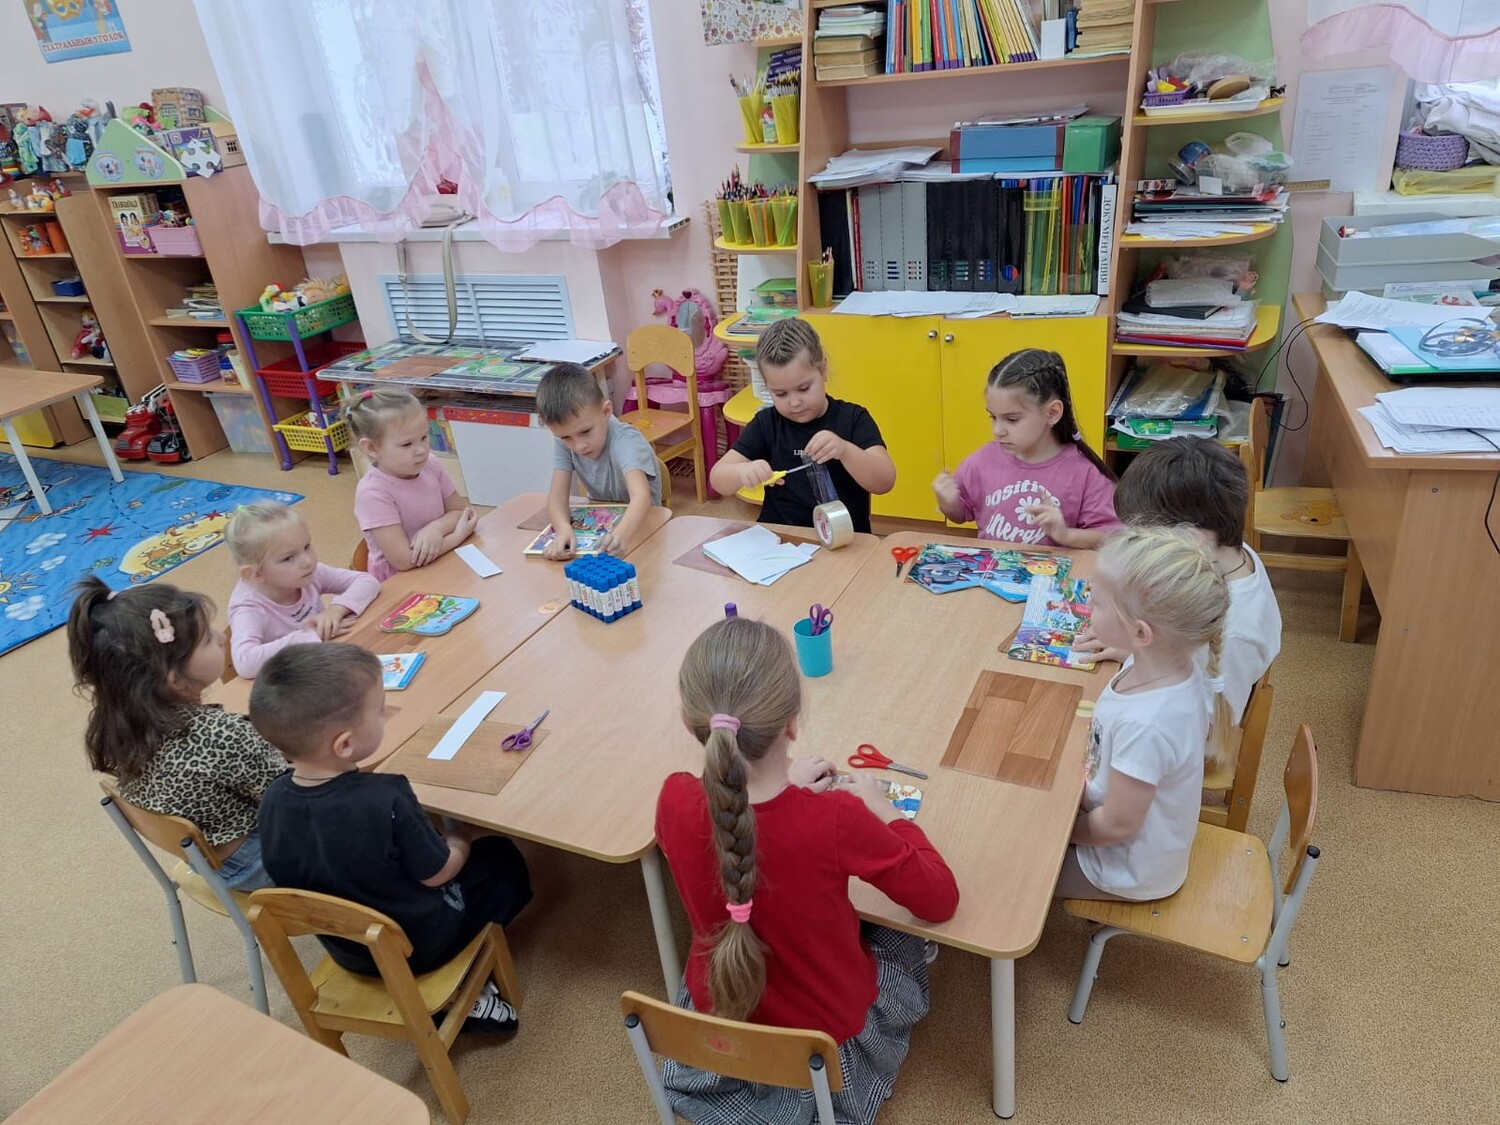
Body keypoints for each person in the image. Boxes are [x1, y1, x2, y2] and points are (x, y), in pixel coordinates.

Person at [656, 617, 959, 1124]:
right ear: (792, 726)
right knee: (899, 934)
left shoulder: (673, 798)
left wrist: (783, 790)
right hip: (823, 1047)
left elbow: (735, 830)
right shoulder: (836, 819)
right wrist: (887, 812)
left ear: (692, 723)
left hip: (720, 1031)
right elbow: (940, 898)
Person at [249, 644, 531, 1031]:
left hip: (350, 950)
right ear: (345, 744)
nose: (387, 714)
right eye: (380, 710)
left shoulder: (272, 801)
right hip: (417, 946)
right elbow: (439, 873)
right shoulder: (386, 796)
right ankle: (464, 987)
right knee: (501, 856)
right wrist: (461, 839)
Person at [67, 577, 284, 891]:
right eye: (206, 640)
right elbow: (293, 799)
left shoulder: (119, 728)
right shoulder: (221, 735)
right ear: (176, 681)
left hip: (211, 865)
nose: (221, 638)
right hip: (260, 865)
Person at [1056, 526, 1231, 902]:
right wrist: (1124, 651)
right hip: (1124, 838)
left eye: (1097, 602)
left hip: (1123, 871)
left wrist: (1059, 833)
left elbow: (1117, 825)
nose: (1087, 606)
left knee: (1013, 874)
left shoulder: (1146, 725)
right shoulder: (1167, 664)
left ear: (1141, 633)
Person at [1079, 436, 1281, 727]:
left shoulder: (1235, 633)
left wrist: (1140, 660)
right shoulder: (1232, 553)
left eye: (1144, 539)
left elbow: (1210, 731)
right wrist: (1137, 651)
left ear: (1192, 538)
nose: (1135, 547)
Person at [709, 318, 896, 534]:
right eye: (780, 394)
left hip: (844, 539)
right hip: (782, 539)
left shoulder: (853, 418)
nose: (795, 402)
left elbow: (885, 481)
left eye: (804, 388)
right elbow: (718, 478)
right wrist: (742, 472)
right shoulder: (766, 423)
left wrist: (846, 450)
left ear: (823, 370)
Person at [933, 348, 1118, 548]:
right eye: (993, 417)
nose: (997, 430)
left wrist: (1066, 535)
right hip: (993, 566)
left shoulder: (1085, 472)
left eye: (1012, 419)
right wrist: (948, 503)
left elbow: (1110, 537)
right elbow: (960, 515)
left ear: (1052, 413)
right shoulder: (981, 461)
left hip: (1050, 568)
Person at [225, 500, 381, 679]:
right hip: (291, 684)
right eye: (288, 558)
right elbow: (245, 663)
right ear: (256, 573)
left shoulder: (308, 574)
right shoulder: (247, 608)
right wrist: (311, 635)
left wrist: (336, 610)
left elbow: (367, 581)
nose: (307, 561)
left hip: (326, 663)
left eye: (307, 546)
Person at [535, 361, 662, 559]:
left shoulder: (626, 440)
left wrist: (620, 536)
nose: (579, 446)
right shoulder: (565, 440)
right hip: (603, 531)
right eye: (566, 437)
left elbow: (641, 496)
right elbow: (557, 498)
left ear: (606, 411)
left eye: (585, 432)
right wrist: (563, 529)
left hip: (643, 528)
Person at [348, 388, 478, 581]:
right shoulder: (373, 493)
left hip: (441, 563)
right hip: (401, 582)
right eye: (407, 444)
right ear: (372, 447)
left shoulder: (430, 464)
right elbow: (405, 561)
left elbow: (462, 512)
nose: (421, 450)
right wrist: (457, 536)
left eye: (424, 437)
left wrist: (435, 530)